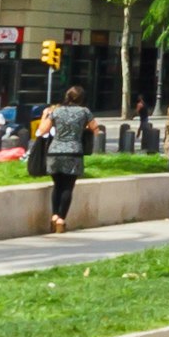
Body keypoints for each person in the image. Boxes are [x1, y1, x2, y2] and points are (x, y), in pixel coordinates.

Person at [35, 83, 98, 233]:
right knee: (68, 187)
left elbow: (42, 130)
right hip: (74, 152)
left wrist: (45, 115)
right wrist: (83, 128)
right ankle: (61, 219)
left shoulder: (56, 112)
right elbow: (95, 129)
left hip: (54, 152)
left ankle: (54, 216)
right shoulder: (84, 112)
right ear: (82, 98)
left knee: (57, 185)